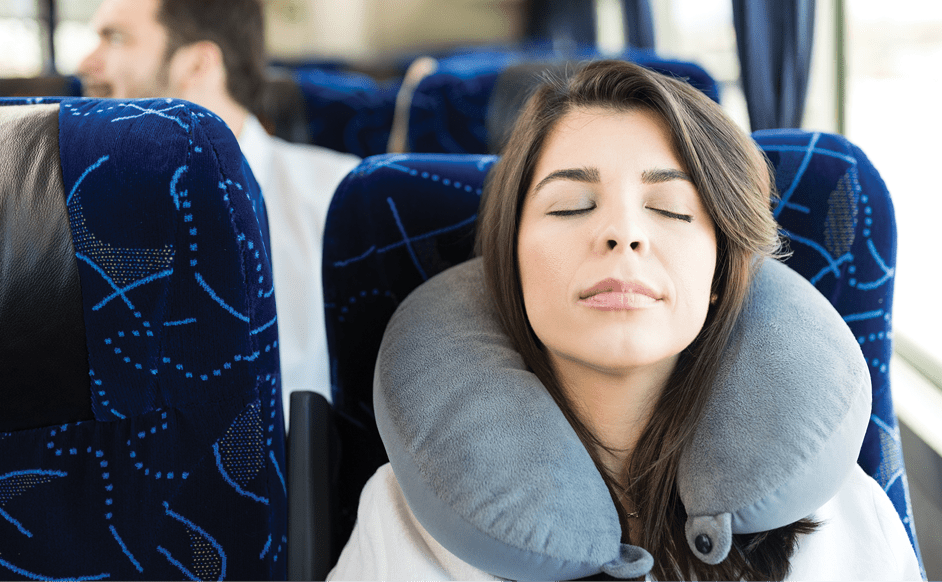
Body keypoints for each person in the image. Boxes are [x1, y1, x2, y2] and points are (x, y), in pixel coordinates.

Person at [327, 60, 921, 580]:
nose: (624, 233)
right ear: (510, 266)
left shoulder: (841, 517)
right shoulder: (409, 517)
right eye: (569, 207)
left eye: (669, 209)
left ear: (719, 276)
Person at [77, 0, 361, 417]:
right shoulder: (70, 204)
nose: (85, 62)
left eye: (116, 38)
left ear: (197, 65)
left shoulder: (340, 198)